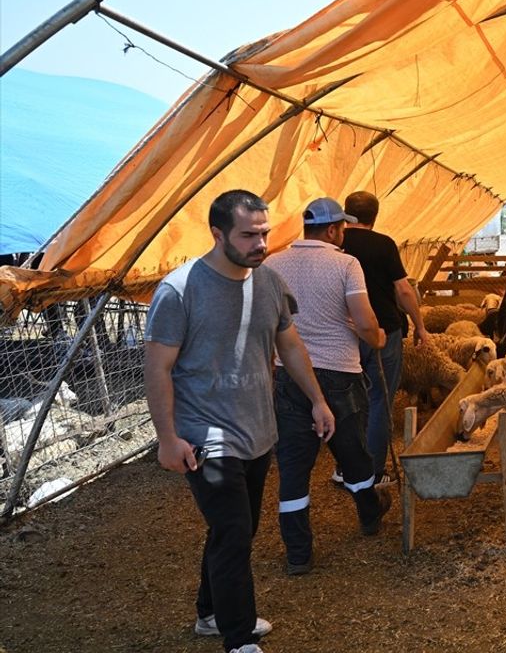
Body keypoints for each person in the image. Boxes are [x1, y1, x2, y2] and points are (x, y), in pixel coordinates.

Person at [145, 189, 335, 653]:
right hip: (205, 434)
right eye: (248, 235)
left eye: (264, 233)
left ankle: (210, 613)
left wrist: (317, 400)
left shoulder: (268, 283)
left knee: (239, 526)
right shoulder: (180, 290)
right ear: (217, 234)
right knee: (232, 531)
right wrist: (167, 438)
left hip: (256, 429)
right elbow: (157, 367)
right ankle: (237, 637)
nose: (260, 243)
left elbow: (288, 345)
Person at [263, 198, 393, 575]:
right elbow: (366, 323)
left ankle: (298, 553)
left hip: (289, 374)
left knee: (292, 464)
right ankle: (369, 514)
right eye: (341, 229)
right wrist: (379, 338)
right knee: (352, 453)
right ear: (335, 229)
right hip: (339, 372)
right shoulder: (345, 264)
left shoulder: (272, 265)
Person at [340, 191, 426, 486]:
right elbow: (403, 290)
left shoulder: (333, 244)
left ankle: (344, 467)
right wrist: (420, 326)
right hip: (382, 333)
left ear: (346, 213)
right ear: (374, 216)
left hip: (344, 334)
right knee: (379, 400)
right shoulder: (383, 245)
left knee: (348, 400)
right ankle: (372, 472)